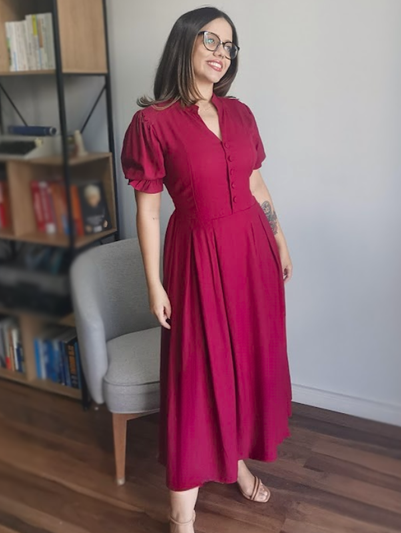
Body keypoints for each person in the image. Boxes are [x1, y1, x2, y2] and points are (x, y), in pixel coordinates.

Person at [121, 7, 293, 532]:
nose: (222, 53)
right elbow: (149, 211)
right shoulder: (153, 122)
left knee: (245, 366)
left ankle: (235, 462)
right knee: (198, 377)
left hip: (253, 254)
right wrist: (154, 283)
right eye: (211, 40)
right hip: (197, 258)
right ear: (185, 43)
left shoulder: (240, 113)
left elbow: (256, 184)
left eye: (229, 45)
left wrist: (280, 239)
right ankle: (182, 516)